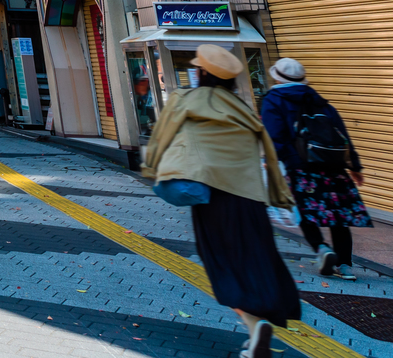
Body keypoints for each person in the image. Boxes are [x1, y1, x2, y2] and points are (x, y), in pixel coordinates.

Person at [142, 44, 299, 358]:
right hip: (251, 199)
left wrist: (152, 168)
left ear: (201, 73)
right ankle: (259, 324)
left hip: (213, 198)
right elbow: (267, 149)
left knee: (222, 263)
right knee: (256, 260)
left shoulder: (185, 99)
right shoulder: (242, 107)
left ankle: (255, 328)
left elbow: (161, 137)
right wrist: (280, 195)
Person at [260, 57, 370, 282]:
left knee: (304, 211)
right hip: (333, 166)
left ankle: (322, 248)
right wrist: (355, 166)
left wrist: (283, 164)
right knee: (338, 215)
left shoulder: (274, 99)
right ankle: (345, 265)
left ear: (277, 77)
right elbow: (342, 133)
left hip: (300, 166)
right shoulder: (318, 99)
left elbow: (274, 136)